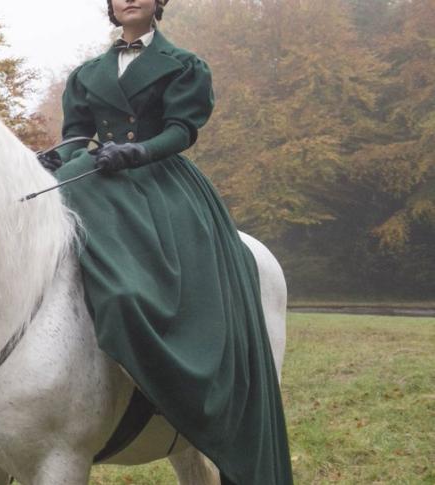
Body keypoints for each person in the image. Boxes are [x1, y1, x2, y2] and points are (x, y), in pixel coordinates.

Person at [41, 1, 294, 484]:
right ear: (111, 7)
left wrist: (138, 149)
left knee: (126, 293)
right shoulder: (88, 73)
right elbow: (76, 135)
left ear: (159, 3)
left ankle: (172, 378)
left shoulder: (183, 64)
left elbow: (182, 131)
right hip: (97, 174)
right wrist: (62, 156)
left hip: (160, 180)